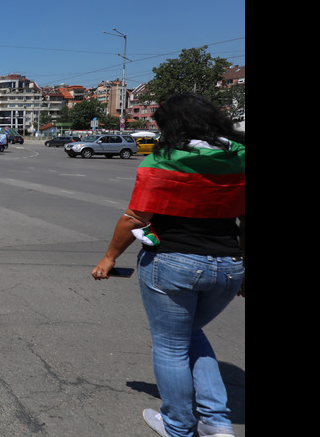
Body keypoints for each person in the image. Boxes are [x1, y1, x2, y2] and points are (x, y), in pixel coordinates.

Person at [92, 93, 245, 437]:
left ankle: (178, 425)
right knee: (191, 334)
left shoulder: (163, 161)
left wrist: (109, 257)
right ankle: (218, 423)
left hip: (173, 263)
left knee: (171, 347)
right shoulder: (240, 157)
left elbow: (135, 217)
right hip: (229, 265)